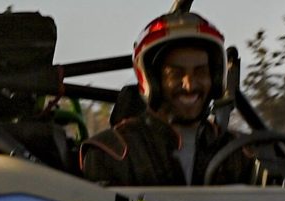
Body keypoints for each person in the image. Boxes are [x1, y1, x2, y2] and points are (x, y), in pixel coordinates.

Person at [80, 12, 254, 186]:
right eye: (176, 74)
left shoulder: (243, 152)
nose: (189, 85)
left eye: (200, 72)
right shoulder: (111, 153)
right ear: (153, 80)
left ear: (215, 78)